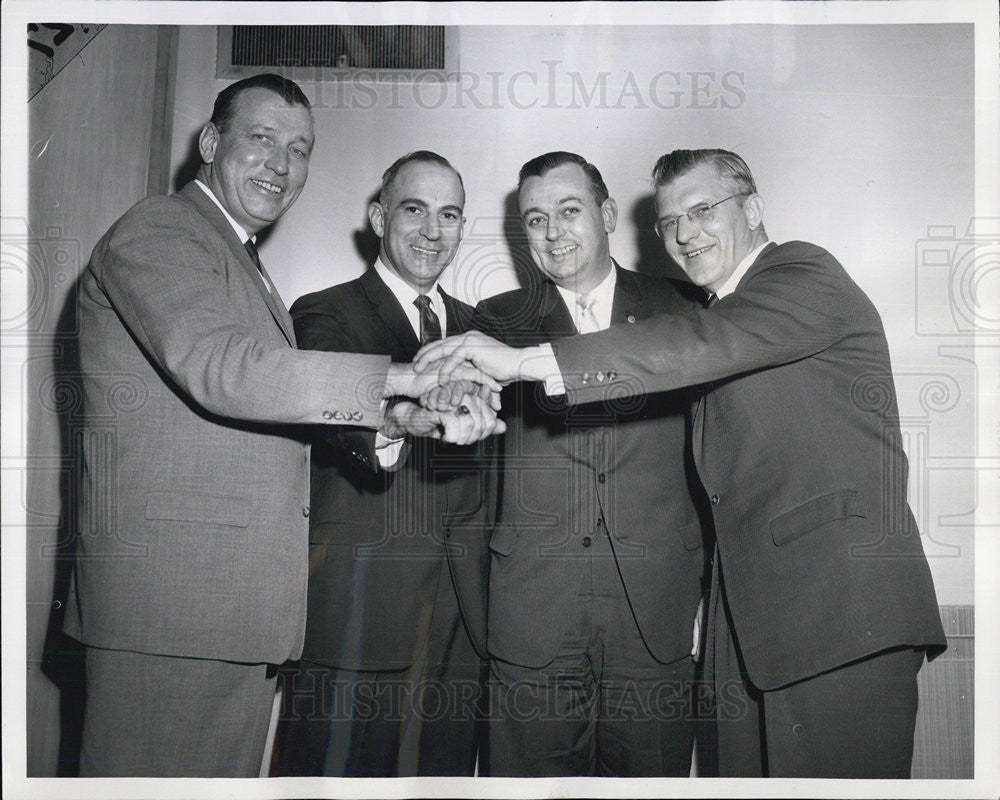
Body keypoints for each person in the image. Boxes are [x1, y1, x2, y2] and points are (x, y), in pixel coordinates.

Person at [414, 148, 948, 778]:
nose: (685, 232)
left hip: (838, 613)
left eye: (703, 210)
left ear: (752, 208)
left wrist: (526, 361)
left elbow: (691, 346)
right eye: (670, 222)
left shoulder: (802, 274)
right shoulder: (715, 314)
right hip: (743, 629)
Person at [66, 75, 498, 777]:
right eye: (261, 139)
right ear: (210, 142)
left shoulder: (236, 256)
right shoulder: (161, 228)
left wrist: (402, 415)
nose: (281, 163)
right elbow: (225, 367)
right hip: (173, 609)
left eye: (299, 149)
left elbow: (268, 391)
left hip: (225, 610)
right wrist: (406, 378)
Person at [469, 152, 707, 776]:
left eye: (569, 212)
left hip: (653, 606)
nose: (552, 233)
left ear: (604, 215)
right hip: (532, 609)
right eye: (536, 218)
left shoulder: (683, 309)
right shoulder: (494, 324)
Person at [272, 151, 499, 777]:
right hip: (359, 605)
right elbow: (328, 408)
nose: (433, 230)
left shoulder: (483, 332)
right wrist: (400, 418)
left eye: (449, 214)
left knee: (442, 779)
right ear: (378, 216)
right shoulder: (324, 312)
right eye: (415, 210)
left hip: (463, 614)